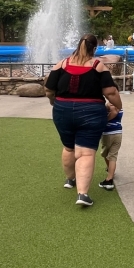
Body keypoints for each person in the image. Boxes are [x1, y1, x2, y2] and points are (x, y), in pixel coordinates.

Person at [44, 34, 124, 208]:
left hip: (62, 111)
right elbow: (111, 92)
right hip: (91, 113)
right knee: (86, 153)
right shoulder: (98, 66)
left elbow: (49, 89)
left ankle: (70, 179)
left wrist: (53, 102)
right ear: (94, 48)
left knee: (68, 147)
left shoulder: (62, 64)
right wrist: (118, 106)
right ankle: (82, 194)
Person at [98, 102, 123, 191]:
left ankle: (109, 179)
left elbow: (113, 112)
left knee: (106, 154)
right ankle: (111, 172)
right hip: (118, 134)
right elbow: (115, 111)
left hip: (107, 135)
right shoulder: (120, 107)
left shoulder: (108, 109)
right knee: (112, 156)